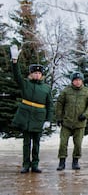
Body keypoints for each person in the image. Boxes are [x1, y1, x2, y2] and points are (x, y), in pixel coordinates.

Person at [9, 45, 54, 174]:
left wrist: (48, 120)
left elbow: (50, 105)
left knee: (37, 143)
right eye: (35, 73)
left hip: (39, 117)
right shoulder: (26, 84)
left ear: (42, 75)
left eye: (39, 73)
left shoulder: (46, 88)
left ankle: (35, 165)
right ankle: (25, 165)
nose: (37, 75)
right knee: (26, 143)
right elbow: (16, 75)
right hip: (26, 116)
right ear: (31, 74)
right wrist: (14, 61)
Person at [55, 71, 88, 171]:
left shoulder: (86, 91)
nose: (77, 82)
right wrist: (59, 117)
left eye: (79, 80)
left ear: (82, 81)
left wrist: (85, 115)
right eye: (75, 80)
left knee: (78, 144)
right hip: (66, 122)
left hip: (80, 123)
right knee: (63, 143)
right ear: (72, 81)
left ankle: (75, 162)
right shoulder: (66, 91)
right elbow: (59, 104)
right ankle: (62, 162)